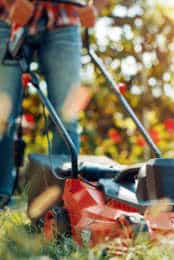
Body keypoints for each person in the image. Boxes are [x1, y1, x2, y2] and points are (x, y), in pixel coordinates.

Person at [0, 0, 97, 208]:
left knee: (66, 117)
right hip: (7, 17)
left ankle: (63, 202)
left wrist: (94, 6)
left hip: (64, 19)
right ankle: (1, 197)